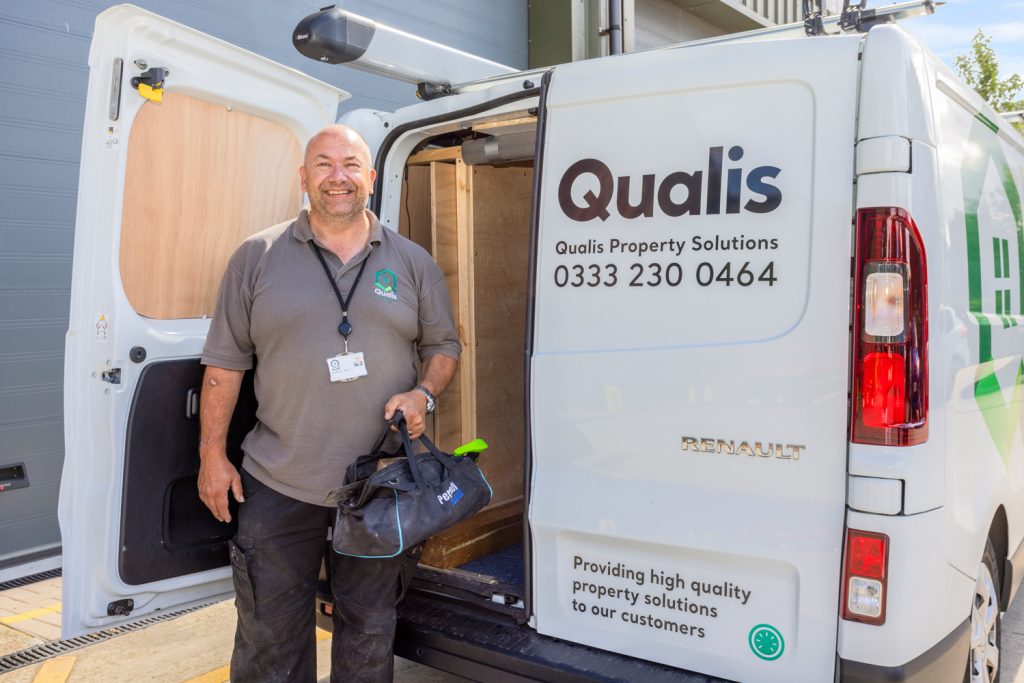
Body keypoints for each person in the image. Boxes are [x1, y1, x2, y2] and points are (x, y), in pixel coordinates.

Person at [197, 124, 461, 682]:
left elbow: (444, 346)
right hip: (277, 479)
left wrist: (424, 393)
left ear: (370, 176)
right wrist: (211, 458)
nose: (336, 177)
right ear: (304, 178)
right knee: (270, 635)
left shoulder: (412, 262)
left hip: (380, 483)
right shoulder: (257, 256)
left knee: (367, 632)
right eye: (322, 164)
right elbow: (224, 365)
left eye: (349, 164)